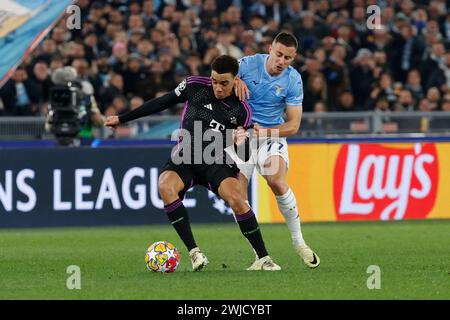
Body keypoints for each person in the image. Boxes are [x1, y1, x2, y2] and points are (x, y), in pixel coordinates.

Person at [105, 55, 280, 271]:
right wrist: (123, 118)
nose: (217, 87)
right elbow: (162, 102)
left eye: (224, 83)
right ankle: (195, 253)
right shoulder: (194, 86)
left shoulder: (241, 110)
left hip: (214, 160)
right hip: (185, 156)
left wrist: (241, 141)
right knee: (165, 186)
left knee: (237, 198)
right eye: (214, 81)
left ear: (236, 80)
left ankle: (263, 258)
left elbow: (243, 156)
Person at [234, 32, 320, 268]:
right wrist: (234, 80)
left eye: (288, 58)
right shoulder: (246, 65)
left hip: (271, 134)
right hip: (241, 136)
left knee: (277, 181)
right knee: (237, 197)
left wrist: (268, 133)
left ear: (294, 58)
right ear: (269, 49)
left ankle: (299, 242)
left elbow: (293, 125)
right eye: (279, 54)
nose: (282, 61)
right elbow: (216, 80)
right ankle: (260, 256)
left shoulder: (293, 79)